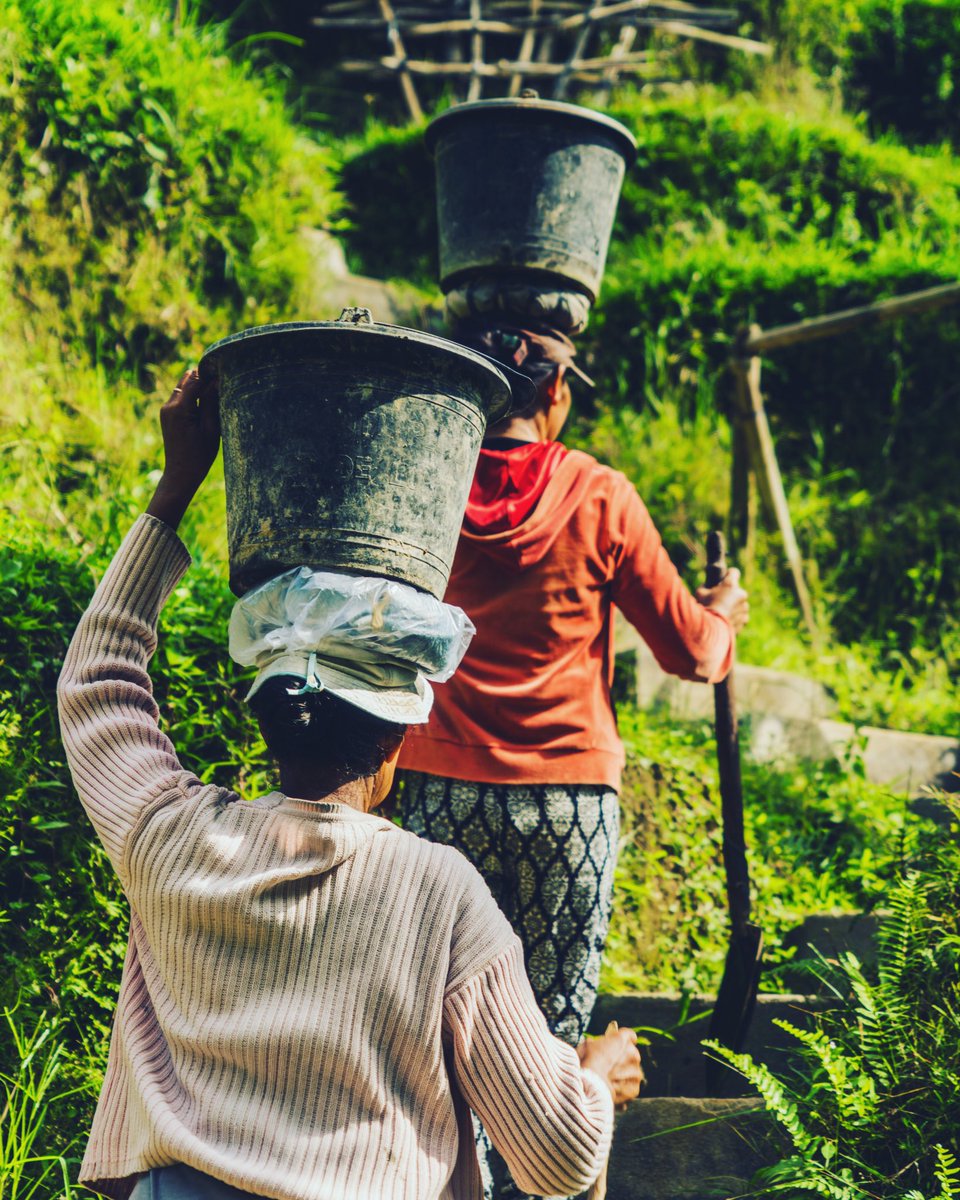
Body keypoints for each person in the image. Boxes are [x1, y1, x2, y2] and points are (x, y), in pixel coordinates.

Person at [57, 368, 642, 1200]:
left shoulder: (172, 841)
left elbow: (94, 681)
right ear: (402, 730)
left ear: (263, 710)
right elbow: (555, 1157)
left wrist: (179, 479)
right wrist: (594, 1080)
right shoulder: (440, 896)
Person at [397, 321, 749, 1197]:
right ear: (557, 395)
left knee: (443, 1033)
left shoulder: (428, 479)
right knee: (552, 1038)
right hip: (568, 806)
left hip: (440, 791)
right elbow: (693, 653)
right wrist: (727, 613)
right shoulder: (598, 494)